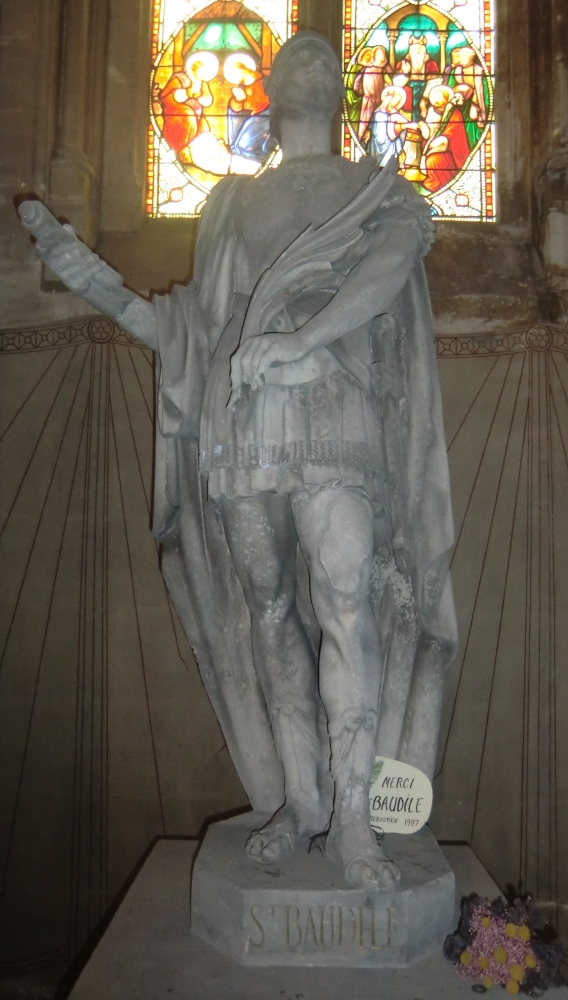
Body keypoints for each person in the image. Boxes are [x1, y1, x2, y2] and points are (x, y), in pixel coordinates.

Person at [21, 32, 456, 891]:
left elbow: (385, 267)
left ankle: (356, 827)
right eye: (296, 55)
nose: (315, 59)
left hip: (338, 412)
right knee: (266, 612)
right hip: (242, 424)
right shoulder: (227, 205)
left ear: (344, 91)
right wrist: (93, 282)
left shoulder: (384, 193)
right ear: (268, 85)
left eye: (330, 58)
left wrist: (302, 338)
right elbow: (187, 337)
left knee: (344, 602)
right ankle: (300, 804)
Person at [420, 83, 470, 192]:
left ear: (446, 98)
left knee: (433, 160)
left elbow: (454, 134)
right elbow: (430, 131)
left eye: (439, 97)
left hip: (452, 150)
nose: (435, 100)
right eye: (434, 97)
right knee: (429, 158)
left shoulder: (454, 113)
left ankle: (440, 183)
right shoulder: (431, 111)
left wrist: (442, 140)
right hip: (434, 143)